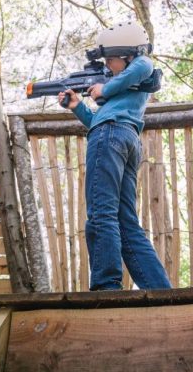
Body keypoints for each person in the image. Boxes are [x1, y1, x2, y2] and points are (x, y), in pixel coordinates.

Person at [58, 21, 171, 291]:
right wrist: (77, 106)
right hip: (123, 137)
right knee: (125, 222)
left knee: (100, 214)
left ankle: (106, 287)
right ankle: (159, 289)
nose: (107, 65)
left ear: (129, 54)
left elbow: (142, 65)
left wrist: (104, 90)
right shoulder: (125, 88)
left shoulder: (141, 66)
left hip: (110, 137)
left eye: (111, 59)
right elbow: (98, 119)